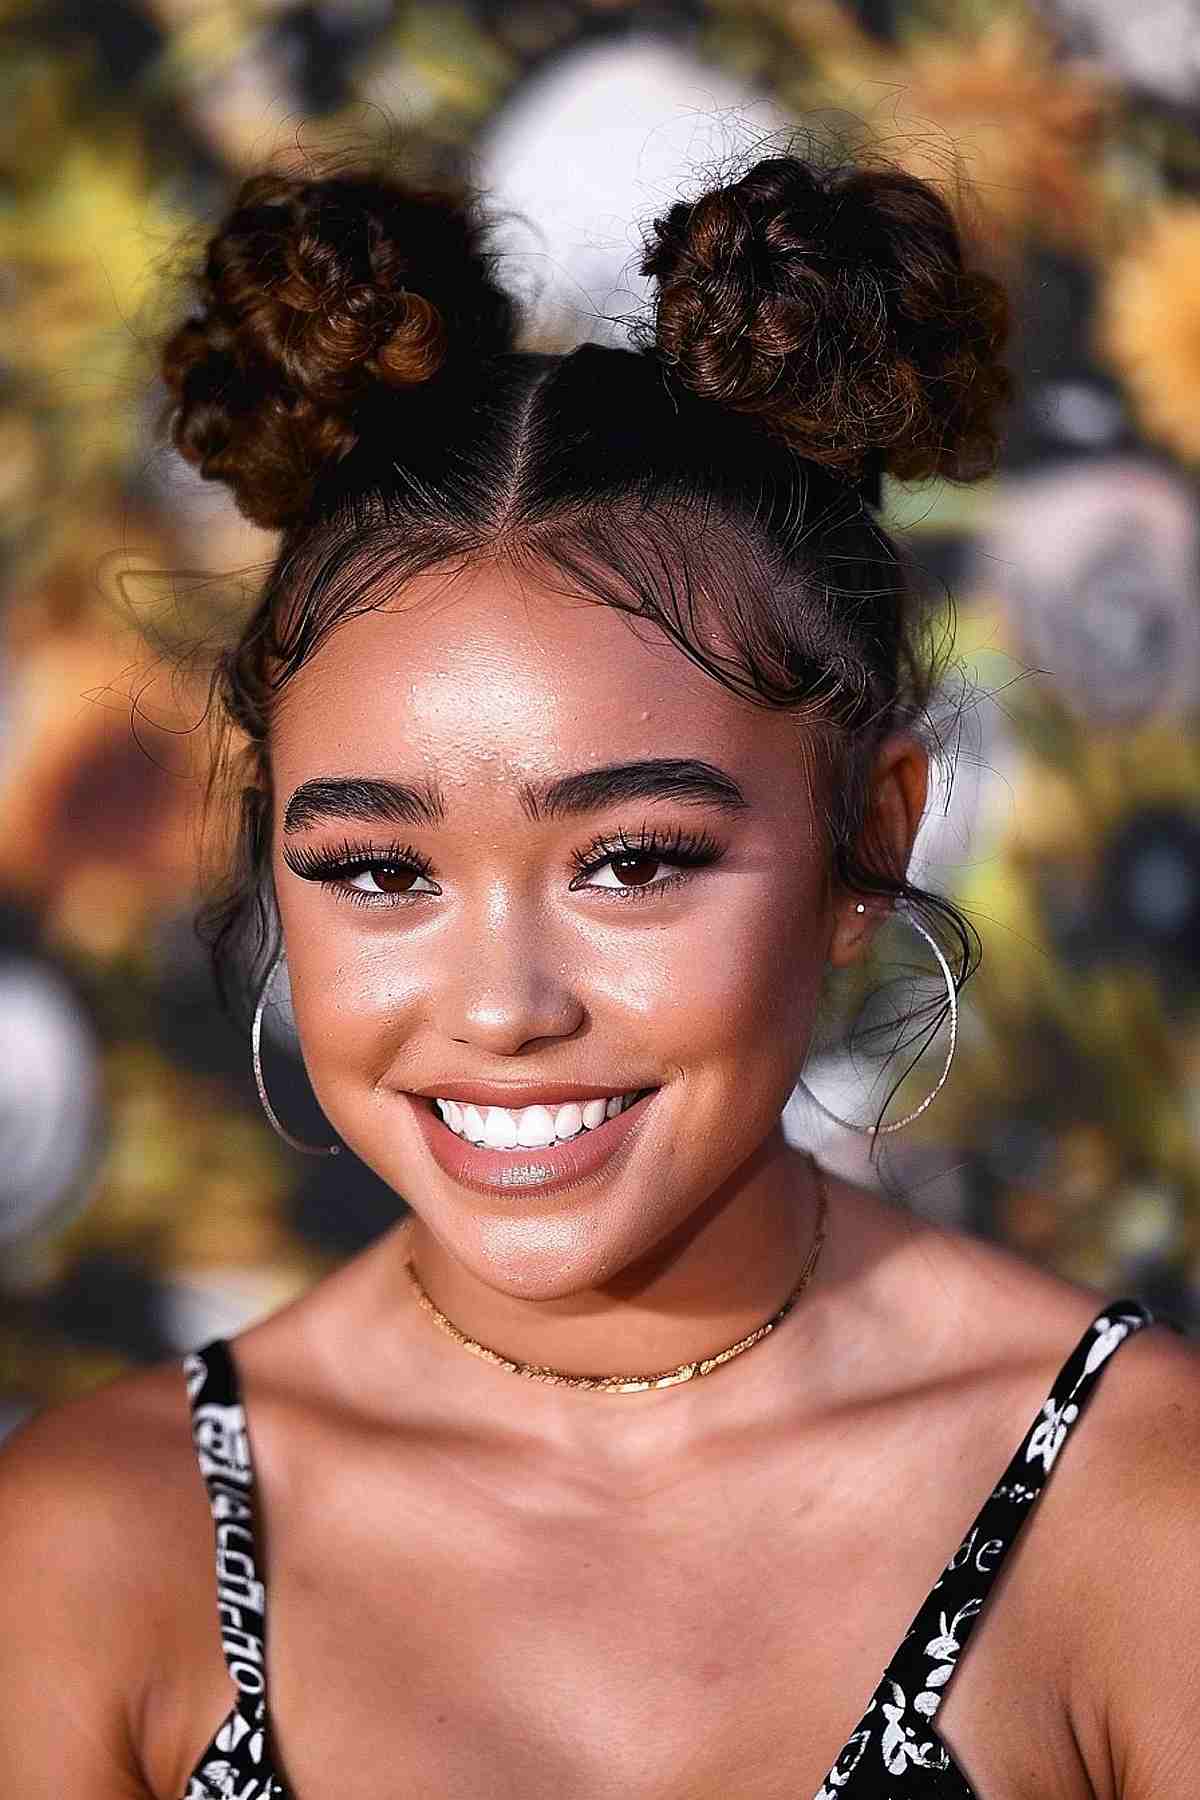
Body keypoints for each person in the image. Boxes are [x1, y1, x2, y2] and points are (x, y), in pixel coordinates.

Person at [1, 149, 1197, 1800]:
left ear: (873, 835)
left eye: (634, 861)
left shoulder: (1143, 1512)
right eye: (379, 872)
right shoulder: (89, 1549)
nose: (501, 1008)